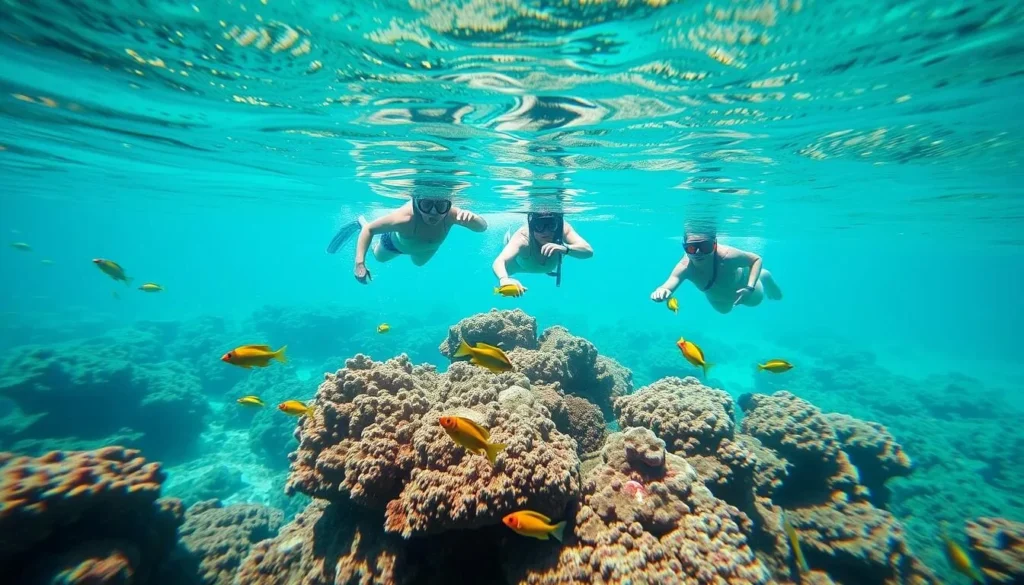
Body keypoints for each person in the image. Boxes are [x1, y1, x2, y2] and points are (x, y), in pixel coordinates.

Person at [326, 196, 487, 283]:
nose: (433, 212)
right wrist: (359, 263)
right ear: (417, 203)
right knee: (379, 258)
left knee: (418, 264)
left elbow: (482, 228)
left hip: (427, 249)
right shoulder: (404, 218)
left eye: (441, 206)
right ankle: (360, 222)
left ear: (448, 205)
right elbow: (370, 230)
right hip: (394, 245)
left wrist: (473, 218)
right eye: (426, 205)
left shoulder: (452, 215)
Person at [650, 226, 782, 314]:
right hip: (717, 298)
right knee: (724, 311)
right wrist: (662, 290)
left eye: (705, 247)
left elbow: (756, 259)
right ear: (685, 247)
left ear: (714, 244)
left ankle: (763, 275)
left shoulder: (727, 255)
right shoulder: (685, 266)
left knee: (755, 301)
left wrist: (750, 287)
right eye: (691, 248)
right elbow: (670, 283)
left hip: (743, 287)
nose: (698, 252)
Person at [492, 212, 593, 294]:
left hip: (540, 265)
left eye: (551, 225)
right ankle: (508, 236)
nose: (546, 232)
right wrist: (504, 279)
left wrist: (566, 248)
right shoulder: (523, 238)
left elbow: (588, 251)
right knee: (508, 251)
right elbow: (499, 261)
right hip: (516, 266)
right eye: (539, 226)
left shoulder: (562, 229)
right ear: (532, 227)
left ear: (556, 225)